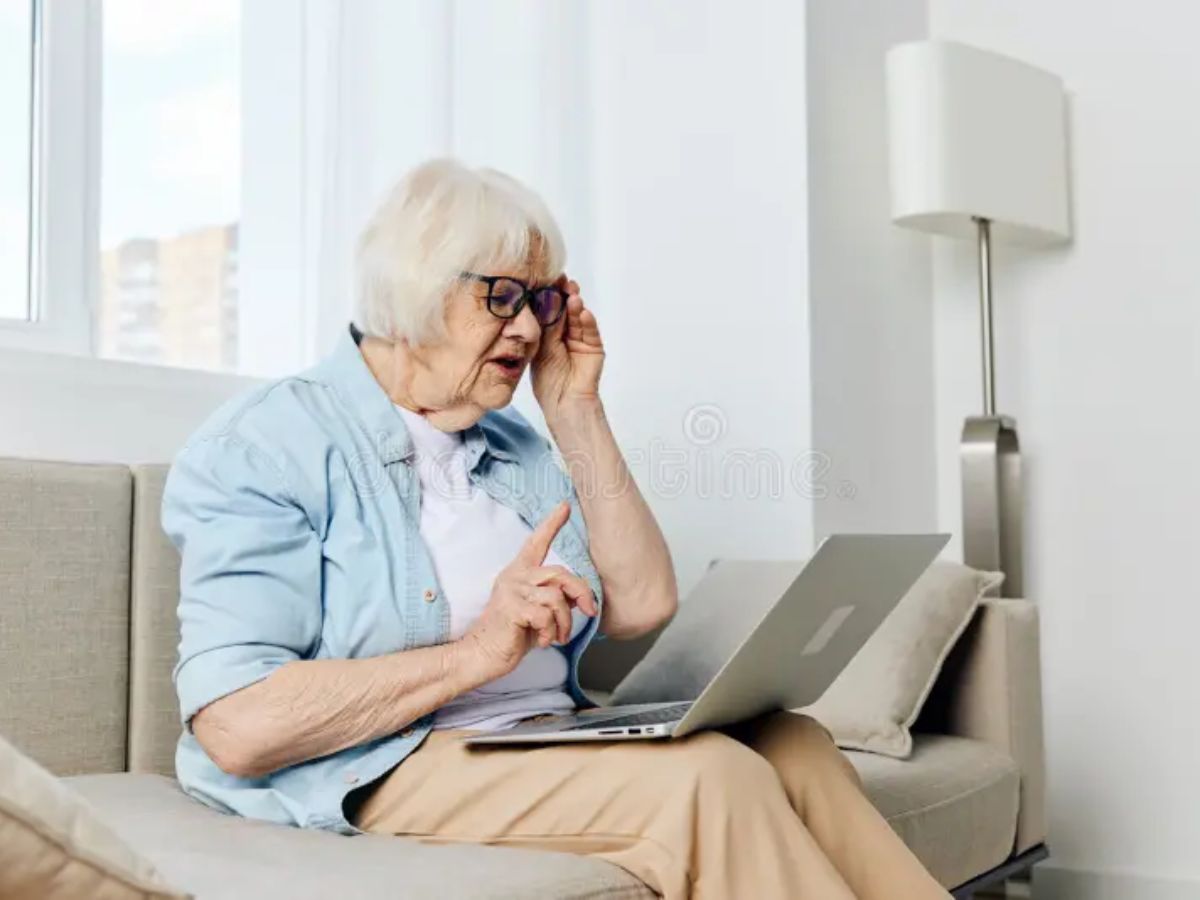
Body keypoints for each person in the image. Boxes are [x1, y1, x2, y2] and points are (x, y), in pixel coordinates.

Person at [163, 158, 950, 899]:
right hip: (378, 765)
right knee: (713, 776)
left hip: (534, 735)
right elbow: (238, 723)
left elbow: (641, 604)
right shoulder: (267, 444)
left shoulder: (511, 444)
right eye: (503, 296)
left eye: (541, 301)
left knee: (793, 743)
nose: (530, 329)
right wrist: (477, 653)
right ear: (414, 288)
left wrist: (576, 410)